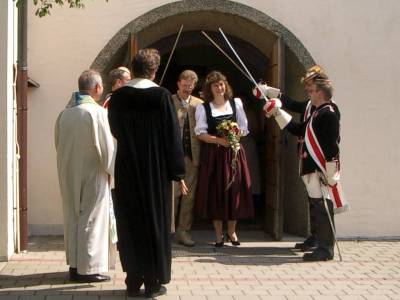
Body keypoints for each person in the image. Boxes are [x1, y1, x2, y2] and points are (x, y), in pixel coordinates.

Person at [107, 48, 186, 298]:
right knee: (155, 221)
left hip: (127, 167)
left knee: (130, 222)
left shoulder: (119, 97)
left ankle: (133, 280)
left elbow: (115, 129)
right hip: (156, 170)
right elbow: (172, 137)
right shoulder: (162, 97)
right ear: (154, 71)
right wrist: (177, 172)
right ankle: (152, 282)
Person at [264, 66, 348, 261]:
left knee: (323, 207)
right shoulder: (316, 111)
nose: (308, 93)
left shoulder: (328, 113)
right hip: (311, 165)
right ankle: (321, 244)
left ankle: (325, 249)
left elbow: (332, 144)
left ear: (320, 92)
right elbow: (298, 129)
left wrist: (330, 171)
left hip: (320, 167)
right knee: (317, 204)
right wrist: (277, 111)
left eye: (310, 90)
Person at [55, 69, 115, 282]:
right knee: (91, 217)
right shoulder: (97, 113)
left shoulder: (65, 113)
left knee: (72, 215)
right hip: (93, 171)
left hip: (68, 171)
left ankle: (74, 265)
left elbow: (58, 144)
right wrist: (112, 172)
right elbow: (107, 148)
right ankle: (87, 269)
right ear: (97, 88)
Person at [194, 71, 254, 247]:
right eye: (215, 85)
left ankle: (232, 232)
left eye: (221, 84)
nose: (220, 88)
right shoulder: (203, 108)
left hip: (234, 153)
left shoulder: (236, 104)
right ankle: (219, 235)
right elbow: (200, 133)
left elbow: (244, 128)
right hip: (215, 156)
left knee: (235, 190)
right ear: (209, 89)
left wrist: (234, 137)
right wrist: (219, 140)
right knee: (217, 192)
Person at [171, 70, 203, 247]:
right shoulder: (168, 100)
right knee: (173, 195)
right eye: (184, 84)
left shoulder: (199, 104)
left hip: (192, 156)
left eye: (190, 85)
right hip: (173, 156)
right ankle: (169, 230)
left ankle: (184, 231)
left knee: (188, 196)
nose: (187, 88)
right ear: (178, 83)